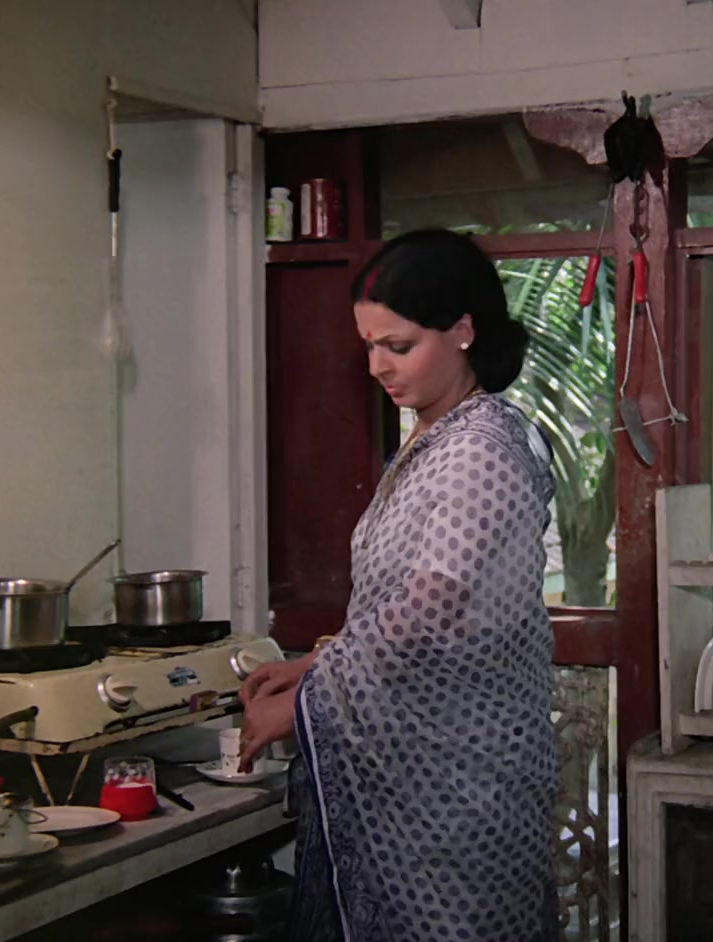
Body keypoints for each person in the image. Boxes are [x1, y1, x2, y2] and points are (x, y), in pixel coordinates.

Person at [237, 229, 560, 942]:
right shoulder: (433, 435)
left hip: (462, 793)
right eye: (369, 346)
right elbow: (397, 602)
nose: (377, 366)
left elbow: (432, 607)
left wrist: (307, 704)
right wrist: (316, 663)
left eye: (399, 345)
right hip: (413, 781)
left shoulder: (480, 449)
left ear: (463, 331)